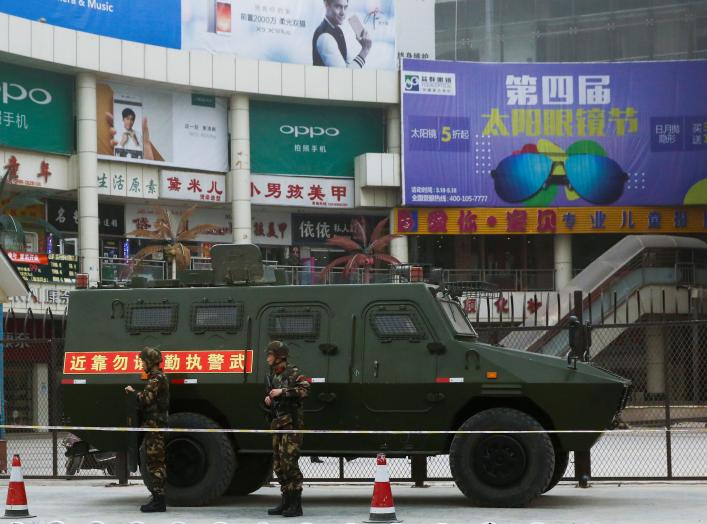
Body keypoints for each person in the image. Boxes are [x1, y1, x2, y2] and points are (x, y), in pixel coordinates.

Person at [265, 341, 310, 518]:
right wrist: (269, 398)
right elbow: (274, 396)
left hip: (292, 426)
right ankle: (286, 502)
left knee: (289, 463)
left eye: (270, 354)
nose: (267, 358)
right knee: (278, 464)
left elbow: (305, 390)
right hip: (278, 425)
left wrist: (282, 392)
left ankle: (295, 505)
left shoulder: (293, 372)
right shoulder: (273, 374)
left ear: (279, 357)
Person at [125, 347, 170, 513]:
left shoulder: (157, 379)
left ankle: (159, 501)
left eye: (143, 361)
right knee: (154, 461)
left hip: (155, 426)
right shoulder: (157, 378)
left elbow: (145, 400)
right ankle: (158, 498)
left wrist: (132, 393)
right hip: (154, 425)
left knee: (155, 462)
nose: (142, 364)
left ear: (150, 362)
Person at [312, 0, 372, 68]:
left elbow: (348, 64)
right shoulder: (325, 37)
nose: (343, 13)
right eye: (338, 7)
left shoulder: (337, 30)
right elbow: (343, 75)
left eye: (345, 7)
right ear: (327, 5)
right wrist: (365, 50)